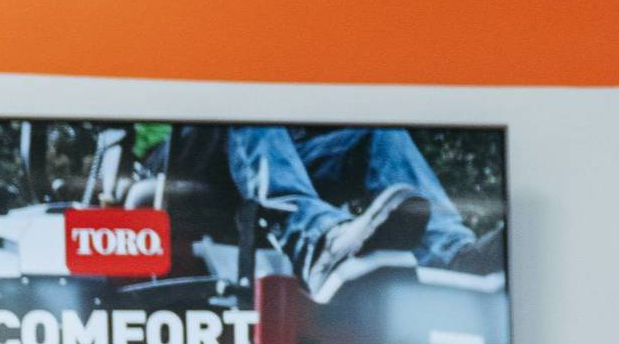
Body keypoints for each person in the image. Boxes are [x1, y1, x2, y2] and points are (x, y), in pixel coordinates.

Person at [211, 124, 492, 295]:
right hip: (208, 148)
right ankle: (320, 246)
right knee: (253, 113)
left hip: (284, 149)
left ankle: (451, 254)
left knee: (380, 136)